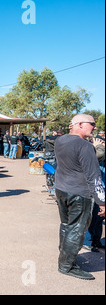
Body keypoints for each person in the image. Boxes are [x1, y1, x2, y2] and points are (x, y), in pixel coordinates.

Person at [54, 114, 105, 280]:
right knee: (76, 230)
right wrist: (102, 202)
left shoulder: (60, 140)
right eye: (92, 124)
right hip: (79, 194)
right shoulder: (85, 146)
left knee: (66, 225)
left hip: (62, 189)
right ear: (80, 124)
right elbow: (94, 176)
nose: (94, 127)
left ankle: (65, 256)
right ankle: (66, 266)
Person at [83, 134, 105, 252]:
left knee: (100, 218)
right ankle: (88, 241)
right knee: (93, 216)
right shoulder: (91, 153)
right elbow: (98, 156)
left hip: (103, 188)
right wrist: (97, 147)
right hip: (95, 189)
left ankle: (96, 241)